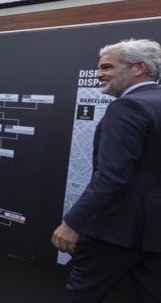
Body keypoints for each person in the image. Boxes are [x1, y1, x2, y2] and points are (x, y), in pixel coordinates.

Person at [52, 39, 161, 302]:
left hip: (115, 231)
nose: (99, 74)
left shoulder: (128, 107)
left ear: (140, 68)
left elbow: (112, 177)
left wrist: (72, 223)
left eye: (107, 67)